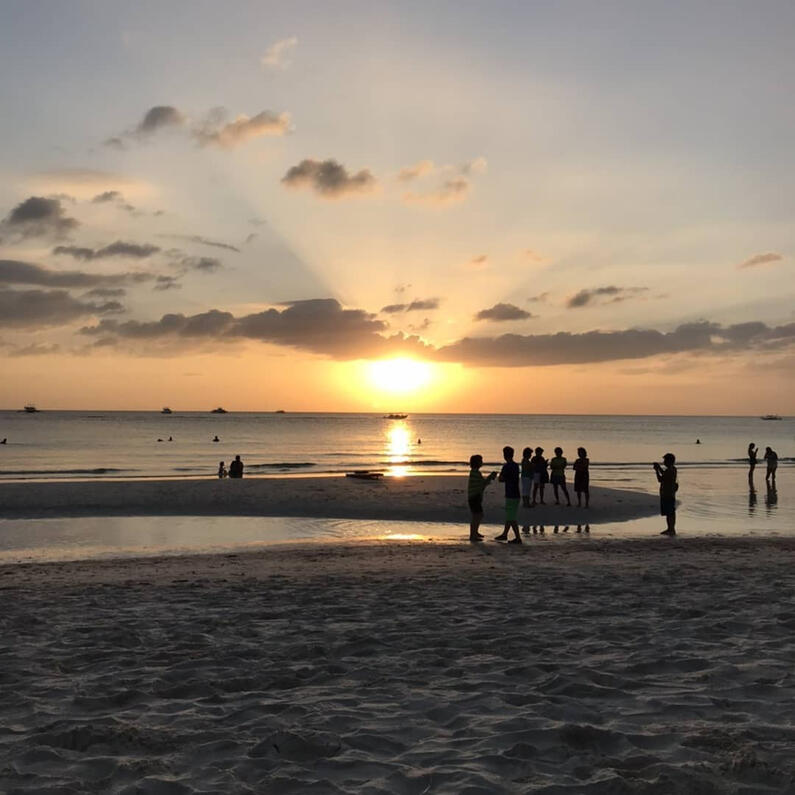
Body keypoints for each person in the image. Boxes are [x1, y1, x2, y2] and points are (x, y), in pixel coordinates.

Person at [495, 446, 522, 544]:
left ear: (505, 455)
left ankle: (518, 538)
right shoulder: (516, 465)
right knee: (510, 515)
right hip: (516, 493)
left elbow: (501, 479)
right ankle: (505, 534)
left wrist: (500, 476)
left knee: (511, 517)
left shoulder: (507, 466)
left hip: (510, 493)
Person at [467, 454, 497, 542]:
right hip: (474, 498)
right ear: (477, 463)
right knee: (478, 515)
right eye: (481, 461)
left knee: (477, 516)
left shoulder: (474, 472)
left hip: (474, 497)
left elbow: (482, 484)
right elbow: (482, 484)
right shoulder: (475, 473)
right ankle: (473, 535)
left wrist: (489, 478)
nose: (482, 462)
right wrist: (490, 477)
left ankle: (474, 533)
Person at [653, 452, 678, 536]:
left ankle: (671, 529)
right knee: (670, 512)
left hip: (667, 493)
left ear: (669, 461)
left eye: (665, 460)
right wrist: (659, 468)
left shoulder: (670, 470)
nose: (664, 462)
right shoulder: (673, 469)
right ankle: (670, 529)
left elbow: (660, 479)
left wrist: (657, 471)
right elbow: (664, 474)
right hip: (670, 493)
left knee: (669, 513)